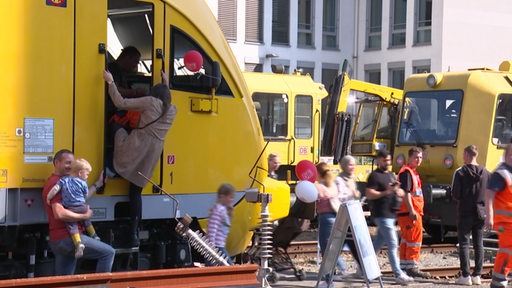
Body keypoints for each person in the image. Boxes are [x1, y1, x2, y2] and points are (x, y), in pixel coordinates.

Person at [103, 69, 177, 247]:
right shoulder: (173, 110)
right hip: (152, 154)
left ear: (154, 94)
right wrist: (165, 82)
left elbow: (120, 102)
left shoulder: (150, 102)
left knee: (114, 126)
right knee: (135, 192)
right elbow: (166, 97)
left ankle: (110, 168)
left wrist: (111, 82)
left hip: (137, 145)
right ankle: (134, 233)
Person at [42, 149, 115, 275]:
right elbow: (59, 214)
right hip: (68, 238)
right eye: (67, 163)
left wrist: (98, 184)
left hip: (59, 239)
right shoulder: (56, 183)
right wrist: (84, 216)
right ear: (56, 162)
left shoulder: (66, 181)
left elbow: (79, 199)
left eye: (72, 163)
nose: (71, 166)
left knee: (65, 282)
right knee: (108, 253)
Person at [365, 150, 414, 284]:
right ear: (379, 160)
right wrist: (386, 192)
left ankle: (362, 268)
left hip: (391, 214)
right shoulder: (374, 176)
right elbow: (369, 193)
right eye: (385, 160)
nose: (387, 163)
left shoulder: (391, 175)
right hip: (381, 214)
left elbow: (401, 192)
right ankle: (398, 274)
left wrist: (398, 190)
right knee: (393, 243)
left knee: (377, 244)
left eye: (389, 160)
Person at [46, 158, 101, 259]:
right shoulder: (83, 183)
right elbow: (85, 195)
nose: (87, 176)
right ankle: (94, 236)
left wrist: (48, 198)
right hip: (82, 207)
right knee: (87, 221)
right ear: (80, 173)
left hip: (71, 208)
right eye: (87, 174)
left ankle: (78, 244)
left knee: (72, 226)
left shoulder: (63, 180)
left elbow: (55, 189)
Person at [451, 145, 490, 286]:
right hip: (481, 212)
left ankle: (466, 275)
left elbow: (455, 194)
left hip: (465, 212)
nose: (462, 157)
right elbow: (490, 193)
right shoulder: (486, 172)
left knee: (464, 244)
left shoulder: (460, 172)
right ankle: (477, 275)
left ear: (467, 154)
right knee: (479, 244)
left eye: (463, 154)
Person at [315, 162, 353, 287]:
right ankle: (334, 275)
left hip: (325, 219)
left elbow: (317, 196)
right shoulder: (332, 185)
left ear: (318, 173)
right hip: (335, 217)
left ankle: (331, 279)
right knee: (332, 249)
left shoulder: (319, 186)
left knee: (326, 251)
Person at [396, 146, 430, 278]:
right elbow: (406, 193)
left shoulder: (411, 172)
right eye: (416, 157)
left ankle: (404, 266)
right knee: (414, 239)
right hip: (410, 212)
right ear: (409, 158)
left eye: (420, 157)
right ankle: (412, 267)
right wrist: (411, 210)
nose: (419, 160)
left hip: (407, 212)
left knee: (406, 240)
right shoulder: (407, 172)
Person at [485, 143, 512, 288]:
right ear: (506, 156)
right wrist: (489, 216)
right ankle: (498, 281)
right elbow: (489, 194)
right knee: (508, 250)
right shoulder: (501, 173)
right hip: (505, 223)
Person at [337, 155, 363, 276]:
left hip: (352, 216)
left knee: (351, 242)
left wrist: (357, 199)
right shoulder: (339, 180)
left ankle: (361, 268)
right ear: (343, 165)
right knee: (344, 243)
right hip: (343, 216)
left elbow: (354, 196)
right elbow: (338, 198)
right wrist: (352, 196)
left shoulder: (351, 178)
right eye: (350, 164)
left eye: (354, 164)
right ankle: (333, 269)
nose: (353, 167)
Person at [206, 183, 235, 266]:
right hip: (216, 246)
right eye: (230, 197)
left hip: (219, 245)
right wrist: (211, 248)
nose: (231, 200)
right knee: (230, 268)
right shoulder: (218, 210)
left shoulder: (222, 210)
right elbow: (212, 228)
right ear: (222, 197)